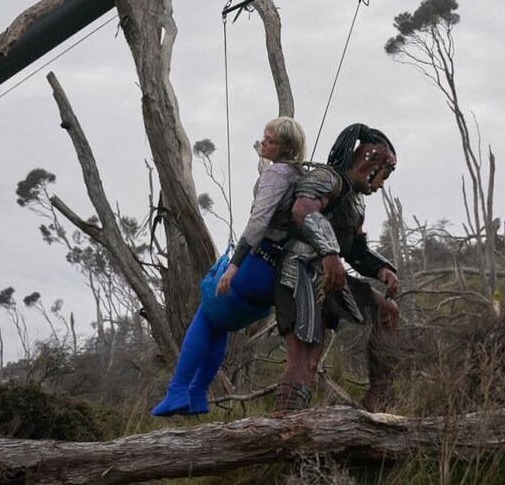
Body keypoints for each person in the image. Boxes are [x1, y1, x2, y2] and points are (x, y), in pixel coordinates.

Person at [151, 116, 307, 416]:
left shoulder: (276, 174)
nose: (263, 143)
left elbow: (259, 221)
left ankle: (179, 390)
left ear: (286, 147)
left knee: (207, 314)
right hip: (275, 277)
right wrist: (263, 158)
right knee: (220, 324)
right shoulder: (297, 175)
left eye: (270, 140)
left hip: (256, 266)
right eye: (263, 138)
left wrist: (234, 265)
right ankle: (197, 395)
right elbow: (277, 192)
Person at [273, 123, 400, 413]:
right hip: (299, 271)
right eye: (384, 174)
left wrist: (382, 270)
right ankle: (284, 423)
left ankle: (378, 399)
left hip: (332, 277)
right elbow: (303, 209)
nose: (381, 184)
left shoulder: (357, 201)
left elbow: (355, 250)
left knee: (387, 311)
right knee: (304, 358)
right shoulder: (326, 178)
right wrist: (329, 252)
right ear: (372, 163)